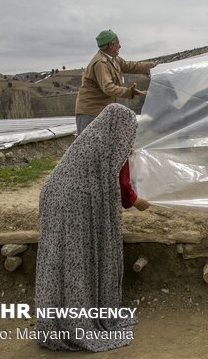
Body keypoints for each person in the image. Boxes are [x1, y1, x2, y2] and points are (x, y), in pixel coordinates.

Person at [36, 104, 148, 352]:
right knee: (77, 262)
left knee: (60, 261)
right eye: (130, 130)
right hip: (73, 205)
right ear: (121, 128)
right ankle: (76, 324)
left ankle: (56, 320)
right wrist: (140, 202)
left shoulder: (91, 140)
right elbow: (123, 188)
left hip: (57, 200)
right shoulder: (114, 147)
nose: (131, 135)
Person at [75, 29, 157, 134]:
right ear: (111, 45)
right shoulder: (101, 63)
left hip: (101, 111)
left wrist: (152, 65)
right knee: (89, 147)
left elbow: (131, 66)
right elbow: (108, 88)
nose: (120, 46)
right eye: (118, 43)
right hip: (91, 113)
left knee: (104, 145)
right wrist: (130, 92)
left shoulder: (114, 60)